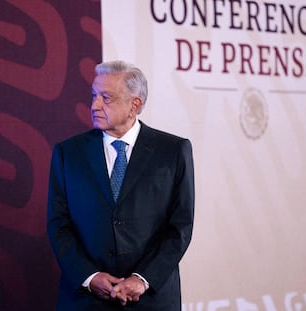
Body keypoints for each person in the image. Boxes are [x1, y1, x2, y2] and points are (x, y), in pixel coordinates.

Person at [47, 60, 195, 310]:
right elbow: (58, 224)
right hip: (86, 301)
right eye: (94, 96)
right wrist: (89, 276)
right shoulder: (68, 153)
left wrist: (143, 279)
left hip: (151, 299)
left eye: (106, 98)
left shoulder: (173, 151)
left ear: (134, 105)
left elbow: (180, 227)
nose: (94, 105)